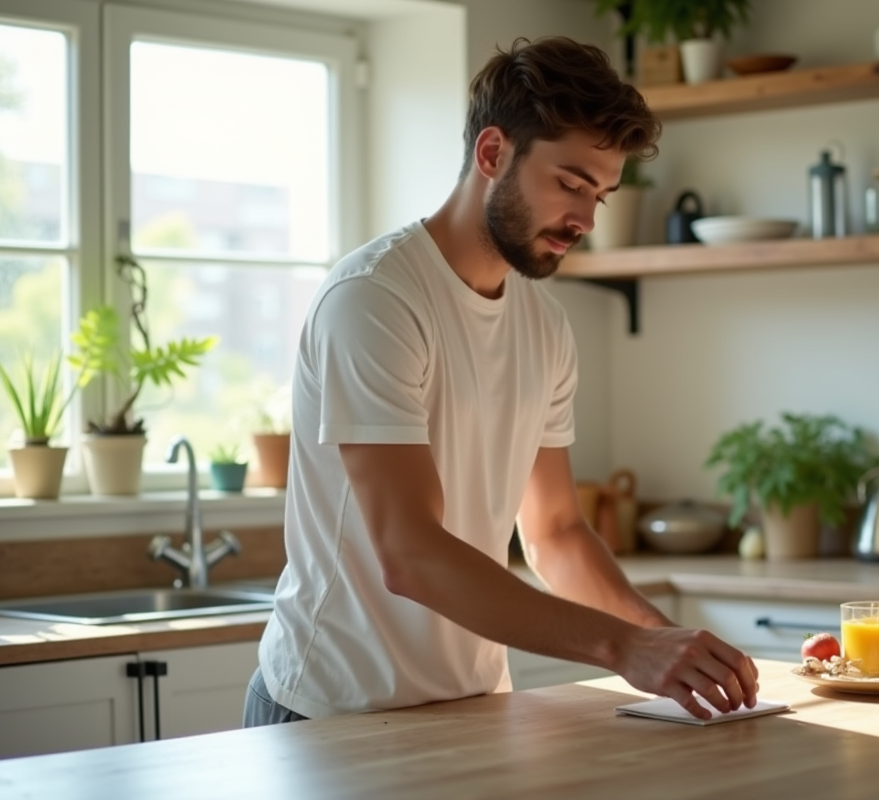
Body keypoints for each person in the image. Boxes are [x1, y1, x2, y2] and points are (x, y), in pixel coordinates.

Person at [244, 36, 758, 727]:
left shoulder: (543, 325)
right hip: (331, 717)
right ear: (492, 154)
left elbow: (555, 532)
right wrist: (624, 647)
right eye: (571, 184)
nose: (585, 219)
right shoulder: (375, 301)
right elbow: (410, 553)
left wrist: (671, 649)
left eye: (600, 195)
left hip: (471, 711)